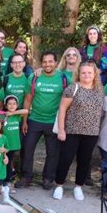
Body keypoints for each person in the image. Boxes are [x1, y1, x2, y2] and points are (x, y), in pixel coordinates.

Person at [52, 62, 105, 201]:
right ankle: (59, 185)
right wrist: (61, 130)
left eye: (89, 72)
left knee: (85, 161)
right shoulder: (73, 88)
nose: (86, 75)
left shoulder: (100, 90)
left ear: (94, 74)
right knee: (66, 159)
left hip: (91, 132)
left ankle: (78, 186)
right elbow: (62, 109)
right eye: (83, 72)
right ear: (79, 74)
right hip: (72, 131)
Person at [17, 51, 67, 189]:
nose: (47, 64)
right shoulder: (34, 77)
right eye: (44, 62)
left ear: (56, 63)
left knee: (52, 153)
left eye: (50, 61)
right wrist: (25, 121)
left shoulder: (63, 78)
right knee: (27, 150)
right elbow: (27, 100)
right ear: (41, 63)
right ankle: (26, 177)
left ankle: (48, 179)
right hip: (34, 120)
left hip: (53, 121)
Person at [0, 95, 28, 188]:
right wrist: (5, 115)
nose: (11, 106)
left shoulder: (17, 115)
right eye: (9, 104)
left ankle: (7, 181)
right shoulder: (2, 115)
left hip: (13, 144)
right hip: (4, 144)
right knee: (2, 162)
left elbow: (26, 111)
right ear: (5, 105)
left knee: (9, 162)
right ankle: (0, 180)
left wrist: (12, 113)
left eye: (14, 104)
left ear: (17, 105)